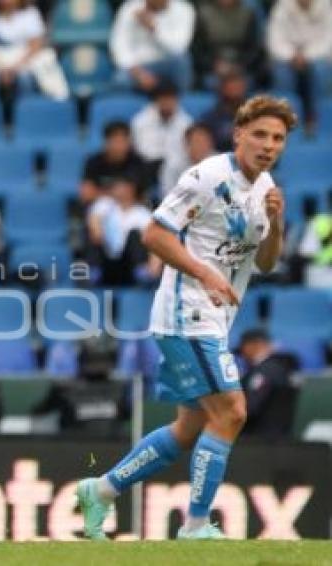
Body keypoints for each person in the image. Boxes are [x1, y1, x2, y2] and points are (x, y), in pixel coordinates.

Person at [76, 95, 297, 540]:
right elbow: (154, 235)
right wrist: (205, 274)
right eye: (260, 134)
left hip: (215, 318)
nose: (269, 145)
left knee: (189, 427)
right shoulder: (207, 176)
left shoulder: (266, 187)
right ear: (238, 134)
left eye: (277, 138)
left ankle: (100, 491)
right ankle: (195, 526)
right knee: (232, 412)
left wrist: (277, 222)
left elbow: (266, 263)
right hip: (186, 313)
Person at [268, 0, 332, 132]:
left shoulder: (326, 6)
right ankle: (287, 121)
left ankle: (315, 120)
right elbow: (274, 40)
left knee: (320, 70)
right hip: (288, 57)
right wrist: (291, 55)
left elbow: (328, 41)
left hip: (317, 57)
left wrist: (307, 56)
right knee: (281, 73)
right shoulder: (282, 7)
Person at [110, 0, 196, 92]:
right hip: (138, 66)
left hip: (168, 63)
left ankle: (175, 98)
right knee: (121, 80)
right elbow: (118, 44)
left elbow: (179, 47)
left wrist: (154, 29)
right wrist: (138, 73)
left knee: (182, 61)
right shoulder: (130, 7)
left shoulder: (184, 10)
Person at [238, 328, 300, 439]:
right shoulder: (275, 367)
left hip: (262, 438)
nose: (242, 352)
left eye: (244, 346)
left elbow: (251, 407)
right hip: (272, 437)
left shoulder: (266, 370)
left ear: (256, 344)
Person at [80, 121, 150, 207]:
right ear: (106, 142)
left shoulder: (137, 162)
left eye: (122, 141)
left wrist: (99, 192)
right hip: (100, 208)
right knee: (102, 205)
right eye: (115, 141)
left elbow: (133, 195)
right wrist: (114, 193)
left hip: (131, 208)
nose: (119, 146)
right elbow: (86, 194)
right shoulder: (93, 162)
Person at [159, 123, 215, 199]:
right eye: (197, 142)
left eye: (205, 141)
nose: (201, 146)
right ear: (186, 145)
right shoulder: (173, 166)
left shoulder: (221, 163)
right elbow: (168, 196)